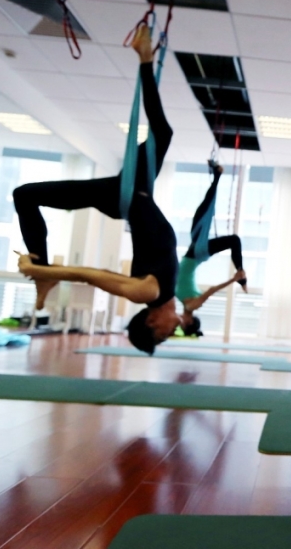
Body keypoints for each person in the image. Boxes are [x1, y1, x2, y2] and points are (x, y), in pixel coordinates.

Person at [14, 24, 179, 354]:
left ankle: (43, 273)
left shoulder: (146, 294)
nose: (170, 332)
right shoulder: (164, 291)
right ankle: (145, 58)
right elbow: (100, 274)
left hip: (125, 196)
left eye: (161, 335)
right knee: (25, 195)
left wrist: (43, 268)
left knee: (25, 195)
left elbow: (93, 275)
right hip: (134, 193)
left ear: (149, 322)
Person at [177, 161, 248, 337]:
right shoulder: (193, 305)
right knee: (233, 240)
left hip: (194, 251)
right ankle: (241, 275)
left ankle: (217, 174)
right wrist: (233, 280)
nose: (181, 323)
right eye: (184, 325)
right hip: (197, 253)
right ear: (190, 321)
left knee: (202, 210)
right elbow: (211, 290)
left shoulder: (184, 304)